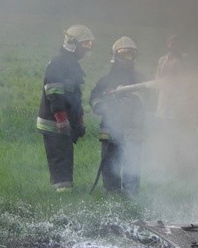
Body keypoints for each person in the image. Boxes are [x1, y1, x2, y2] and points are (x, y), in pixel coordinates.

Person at [36, 25, 94, 191]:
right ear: (72, 43)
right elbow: (54, 93)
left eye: (89, 45)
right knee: (60, 161)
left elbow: (75, 97)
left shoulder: (73, 64)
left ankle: (65, 191)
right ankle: (62, 195)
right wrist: (61, 120)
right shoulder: (58, 63)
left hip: (65, 124)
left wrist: (78, 120)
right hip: (54, 124)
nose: (87, 49)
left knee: (66, 159)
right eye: (85, 44)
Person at [89, 37, 147, 195]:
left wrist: (132, 102)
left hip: (132, 130)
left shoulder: (140, 80)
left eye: (131, 54)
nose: (128, 58)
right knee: (109, 162)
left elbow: (147, 101)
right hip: (110, 129)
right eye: (124, 53)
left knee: (132, 162)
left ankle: (131, 193)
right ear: (115, 56)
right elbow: (94, 100)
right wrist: (104, 106)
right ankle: (111, 191)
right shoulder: (106, 81)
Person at [155, 34, 187, 119]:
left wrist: (174, 80)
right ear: (168, 45)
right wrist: (160, 82)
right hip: (164, 92)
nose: (173, 46)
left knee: (174, 117)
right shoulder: (162, 60)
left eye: (175, 44)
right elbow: (157, 75)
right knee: (161, 116)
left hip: (177, 93)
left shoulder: (184, 59)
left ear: (180, 45)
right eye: (171, 44)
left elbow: (186, 76)